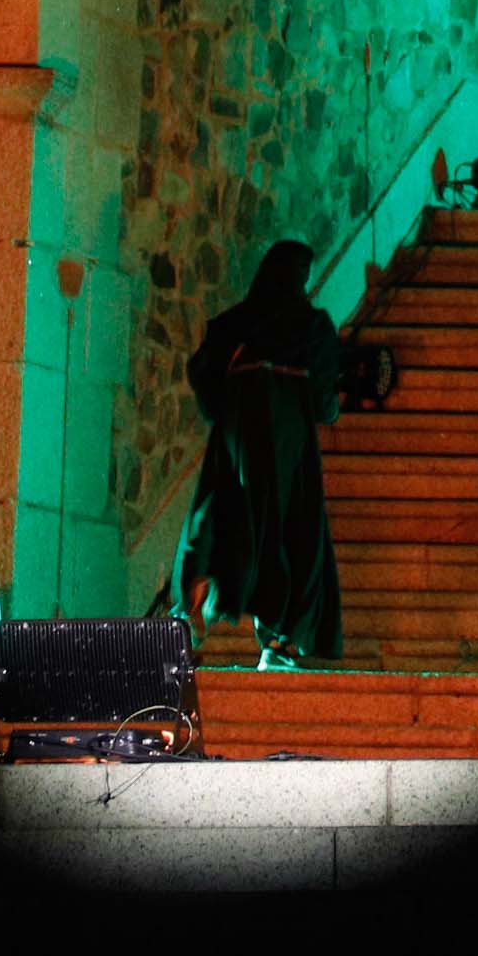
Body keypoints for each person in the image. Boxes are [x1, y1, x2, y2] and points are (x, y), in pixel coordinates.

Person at [185, 239, 347, 667]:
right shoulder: (310, 325)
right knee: (291, 528)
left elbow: (204, 378)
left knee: (227, 515)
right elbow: (324, 396)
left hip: (241, 435)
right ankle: (277, 639)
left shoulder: (232, 324)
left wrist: (233, 407)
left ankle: (193, 608)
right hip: (288, 438)